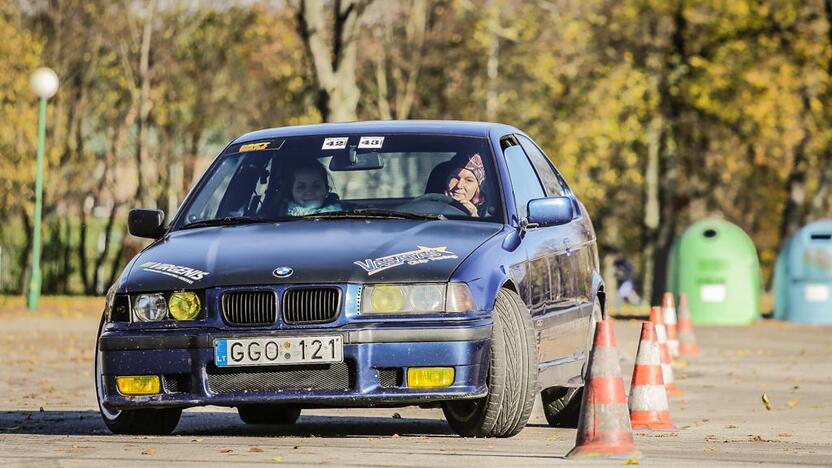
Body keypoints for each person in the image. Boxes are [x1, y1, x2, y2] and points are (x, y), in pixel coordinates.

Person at [276, 159, 342, 216]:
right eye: (301, 187)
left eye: (316, 186)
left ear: (327, 190)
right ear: (291, 191)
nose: (309, 192)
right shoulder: (279, 219)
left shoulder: (344, 217)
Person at [444, 152, 488, 217]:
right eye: (455, 178)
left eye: (469, 180)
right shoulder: (427, 207)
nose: (459, 185)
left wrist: (474, 217)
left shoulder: (489, 219)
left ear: (478, 188)